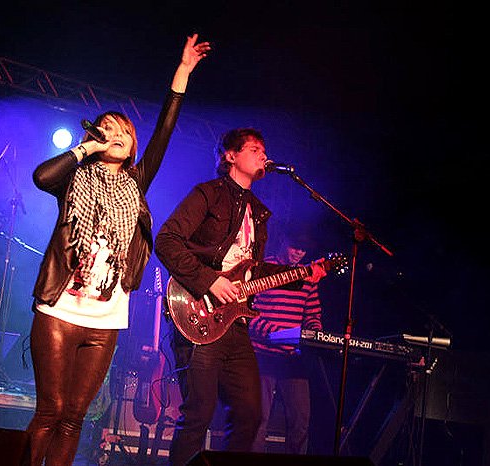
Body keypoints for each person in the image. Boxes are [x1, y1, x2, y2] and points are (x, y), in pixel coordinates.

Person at [26, 34, 210, 466]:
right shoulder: (74, 178)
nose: (117, 135)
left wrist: (182, 72)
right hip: (60, 308)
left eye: (124, 131)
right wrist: (86, 147)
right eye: (108, 129)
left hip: (107, 314)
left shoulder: (136, 182)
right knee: (51, 410)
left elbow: (164, 131)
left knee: (74, 416)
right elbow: (41, 177)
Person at [154, 128, 326, 465]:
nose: (263, 155)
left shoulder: (258, 213)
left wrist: (302, 275)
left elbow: (253, 272)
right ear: (230, 155)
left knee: (250, 413)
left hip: (235, 323)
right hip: (199, 314)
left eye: (264, 150)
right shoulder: (207, 194)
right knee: (198, 412)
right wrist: (209, 282)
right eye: (254, 149)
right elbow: (166, 240)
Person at [248, 230, 326, 455]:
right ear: (284, 242)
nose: (299, 253)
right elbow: (249, 311)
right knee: (258, 419)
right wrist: (277, 333)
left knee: (301, 419)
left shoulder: (308, 276)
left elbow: (312, 314)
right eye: (295, 247)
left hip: (292, 357)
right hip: (263, 354)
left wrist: (313, 333)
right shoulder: (266, 269)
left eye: (303, 250)